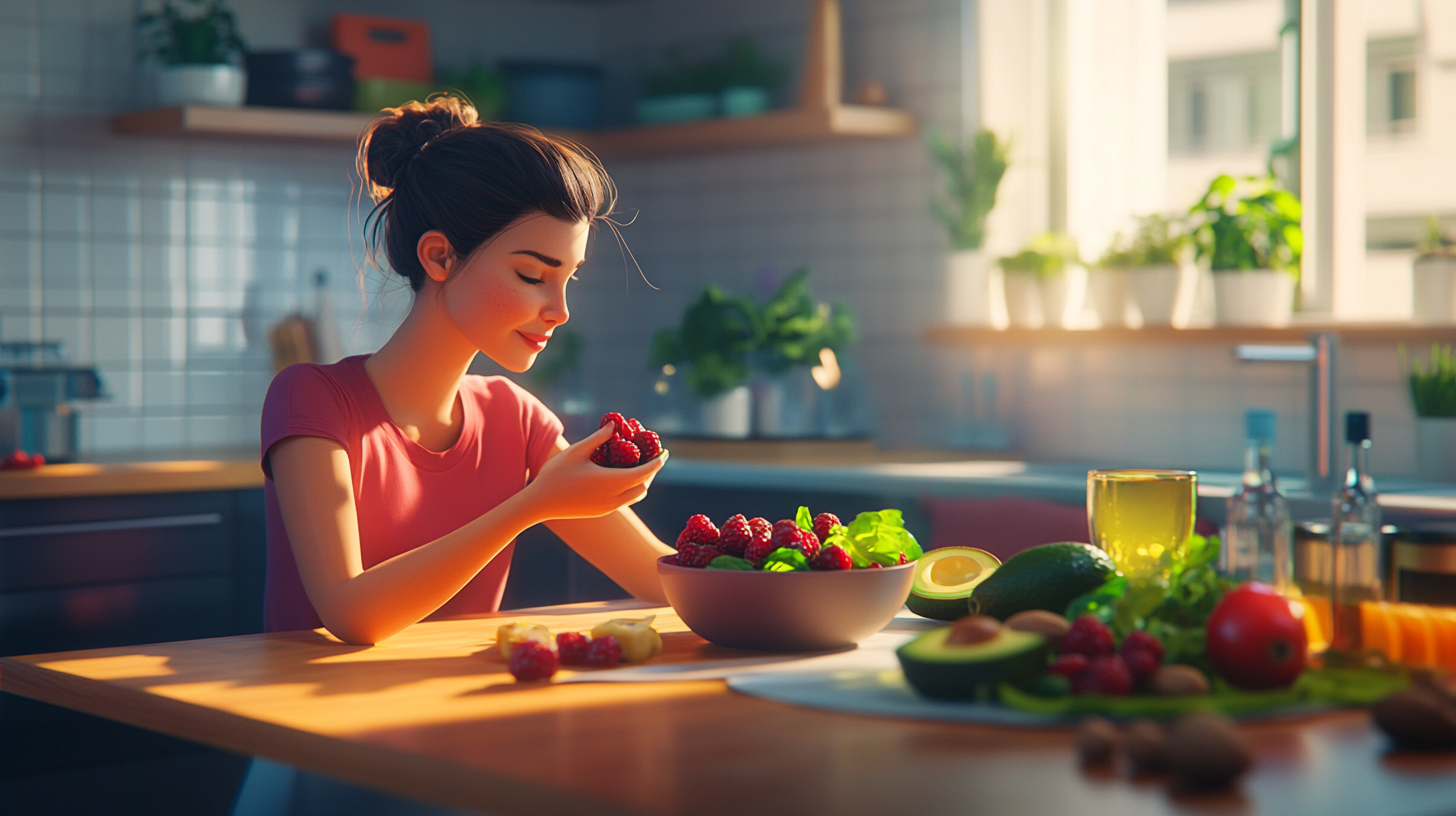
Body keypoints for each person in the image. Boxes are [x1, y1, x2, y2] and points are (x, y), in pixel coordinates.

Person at [259, 97, 672, 645]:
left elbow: (658, 578)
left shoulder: (514, 417)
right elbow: (351, 614)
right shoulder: (312, 398)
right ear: (440, 258)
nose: (560, 310)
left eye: (568, 278)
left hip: (453, 718)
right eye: (531, 275)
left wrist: (799, 568)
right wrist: (534, 504)